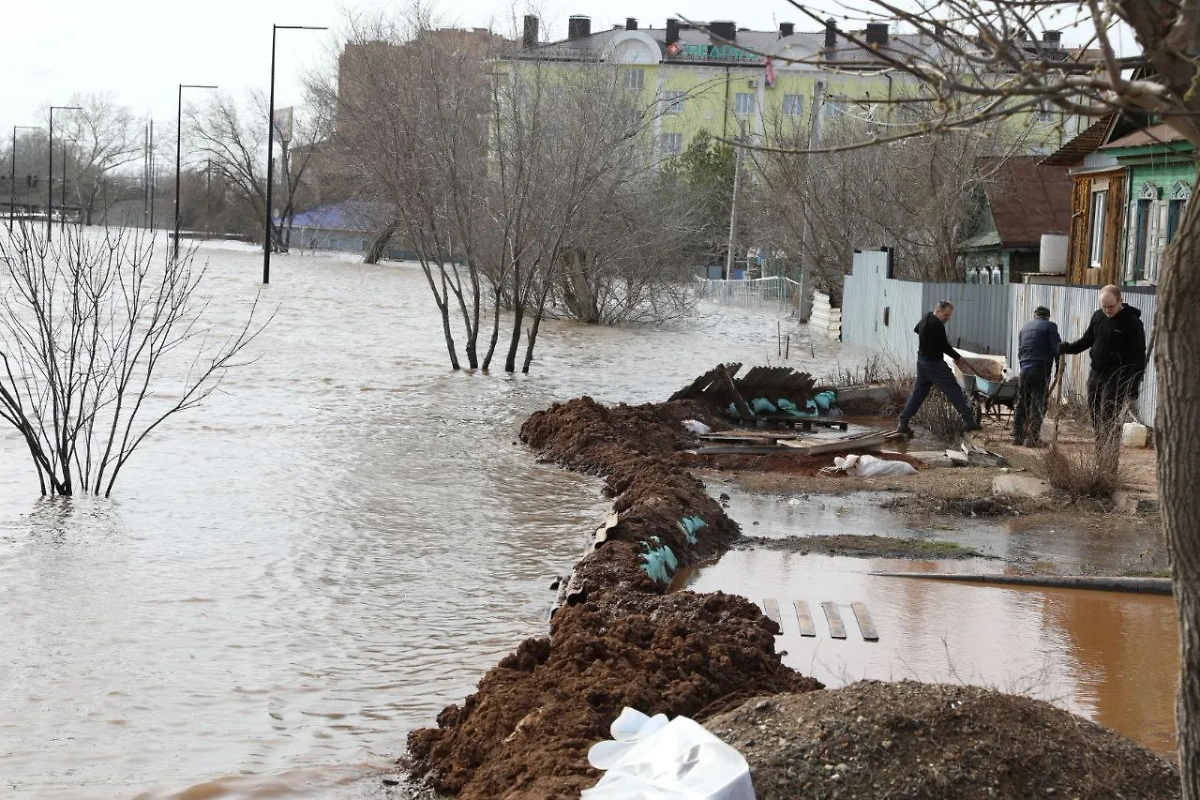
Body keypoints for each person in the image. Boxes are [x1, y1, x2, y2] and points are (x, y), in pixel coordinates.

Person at [1057, 285, 1146, 460]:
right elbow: (1087, 340)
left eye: (1111, 306)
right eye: (1104, 306)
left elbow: (1138, 356)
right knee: (1095, 416)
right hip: (1096, 374)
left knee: (1108, 417)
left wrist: (1134, 384)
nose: (1107, 310)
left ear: (1120, 301)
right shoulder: (1098, 317)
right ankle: (1100, 457)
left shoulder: (1132, 322)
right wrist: (1068, 348)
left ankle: (1109, 461)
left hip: (1117, 376)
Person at [895, 301, 982, 437]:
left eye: (949, 315)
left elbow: (917, 329)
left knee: (918, 393)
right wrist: (957, 357)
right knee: (954, 389)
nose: (948, 318)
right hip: (934, 364)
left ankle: (903, 422)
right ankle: (968, 421)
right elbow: (944, 346)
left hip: (922, 361)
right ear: (939, 311)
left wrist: (927, 340)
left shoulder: (927, 316)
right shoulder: (937, 326)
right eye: (946, 315)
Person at [1012, 306, 1060, 447]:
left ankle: (1017, 437)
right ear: (1048, 316)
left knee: (1022, 403)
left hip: (1024, 369)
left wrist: (1023, 365)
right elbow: (1058, 348)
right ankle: (1033, 439)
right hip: (1040, 369)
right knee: (1038, 403)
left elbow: (1020, 351)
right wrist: (1059, 369)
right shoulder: (1050, 326)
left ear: (1035, 315)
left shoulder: (1024, 328)